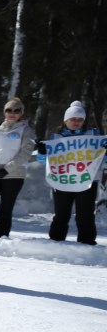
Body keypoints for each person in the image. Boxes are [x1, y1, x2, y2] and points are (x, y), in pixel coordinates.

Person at [46, 100, 101, 245]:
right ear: (66, 120)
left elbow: (102, 157)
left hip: (86, 181)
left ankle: (87, 242)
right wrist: (41, 151)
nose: (76, 122)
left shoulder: (92, 135)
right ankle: (56, 241)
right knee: (61, 214)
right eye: (73, 119)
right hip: (63, 180)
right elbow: (44, 160)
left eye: (80, 119)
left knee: (85, 214)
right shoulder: (56, 137)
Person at [0, 97, 36, 237]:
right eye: (9, 110)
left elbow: (25, 153)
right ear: (5, 112)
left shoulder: (26, 131)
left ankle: (1, 237)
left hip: (14, 175)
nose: (12, 113)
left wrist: (7, 169)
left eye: (16, 111)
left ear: (21, 113)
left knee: (6, 208)